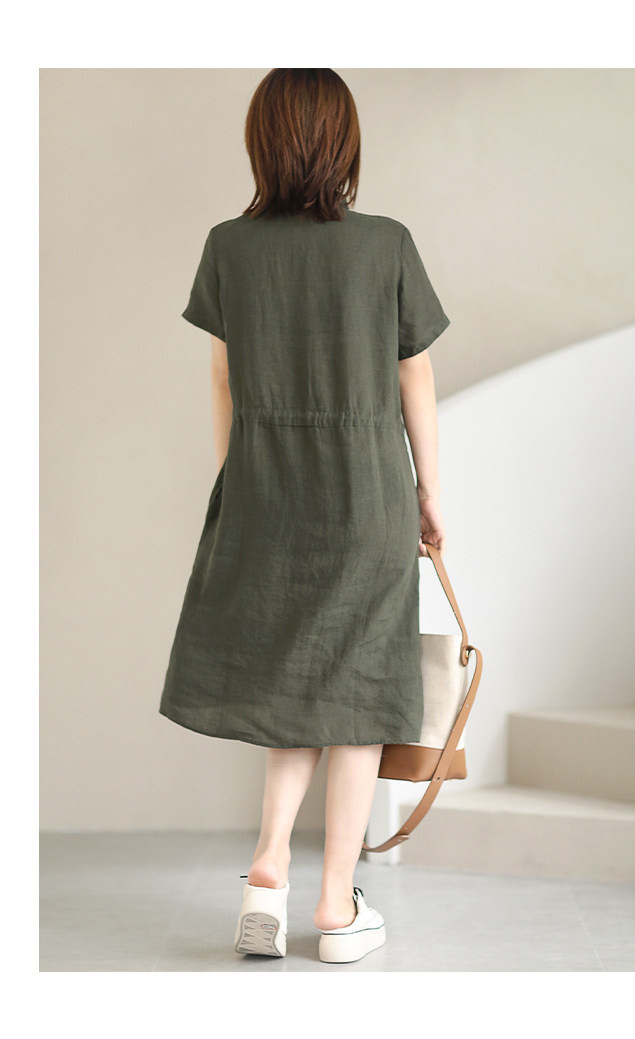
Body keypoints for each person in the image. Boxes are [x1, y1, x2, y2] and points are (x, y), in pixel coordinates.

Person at [159, 68, 450, 964]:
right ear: (344, 142)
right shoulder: (385, 242)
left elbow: (223, 377)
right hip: (366, 493)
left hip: (266, 489)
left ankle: (268, 865)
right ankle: (333, 904)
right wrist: (429, 492)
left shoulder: (228, 246)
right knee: (357, 693)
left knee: (295, 683)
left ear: (263, 143)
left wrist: (239, 480)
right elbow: (414, 375)